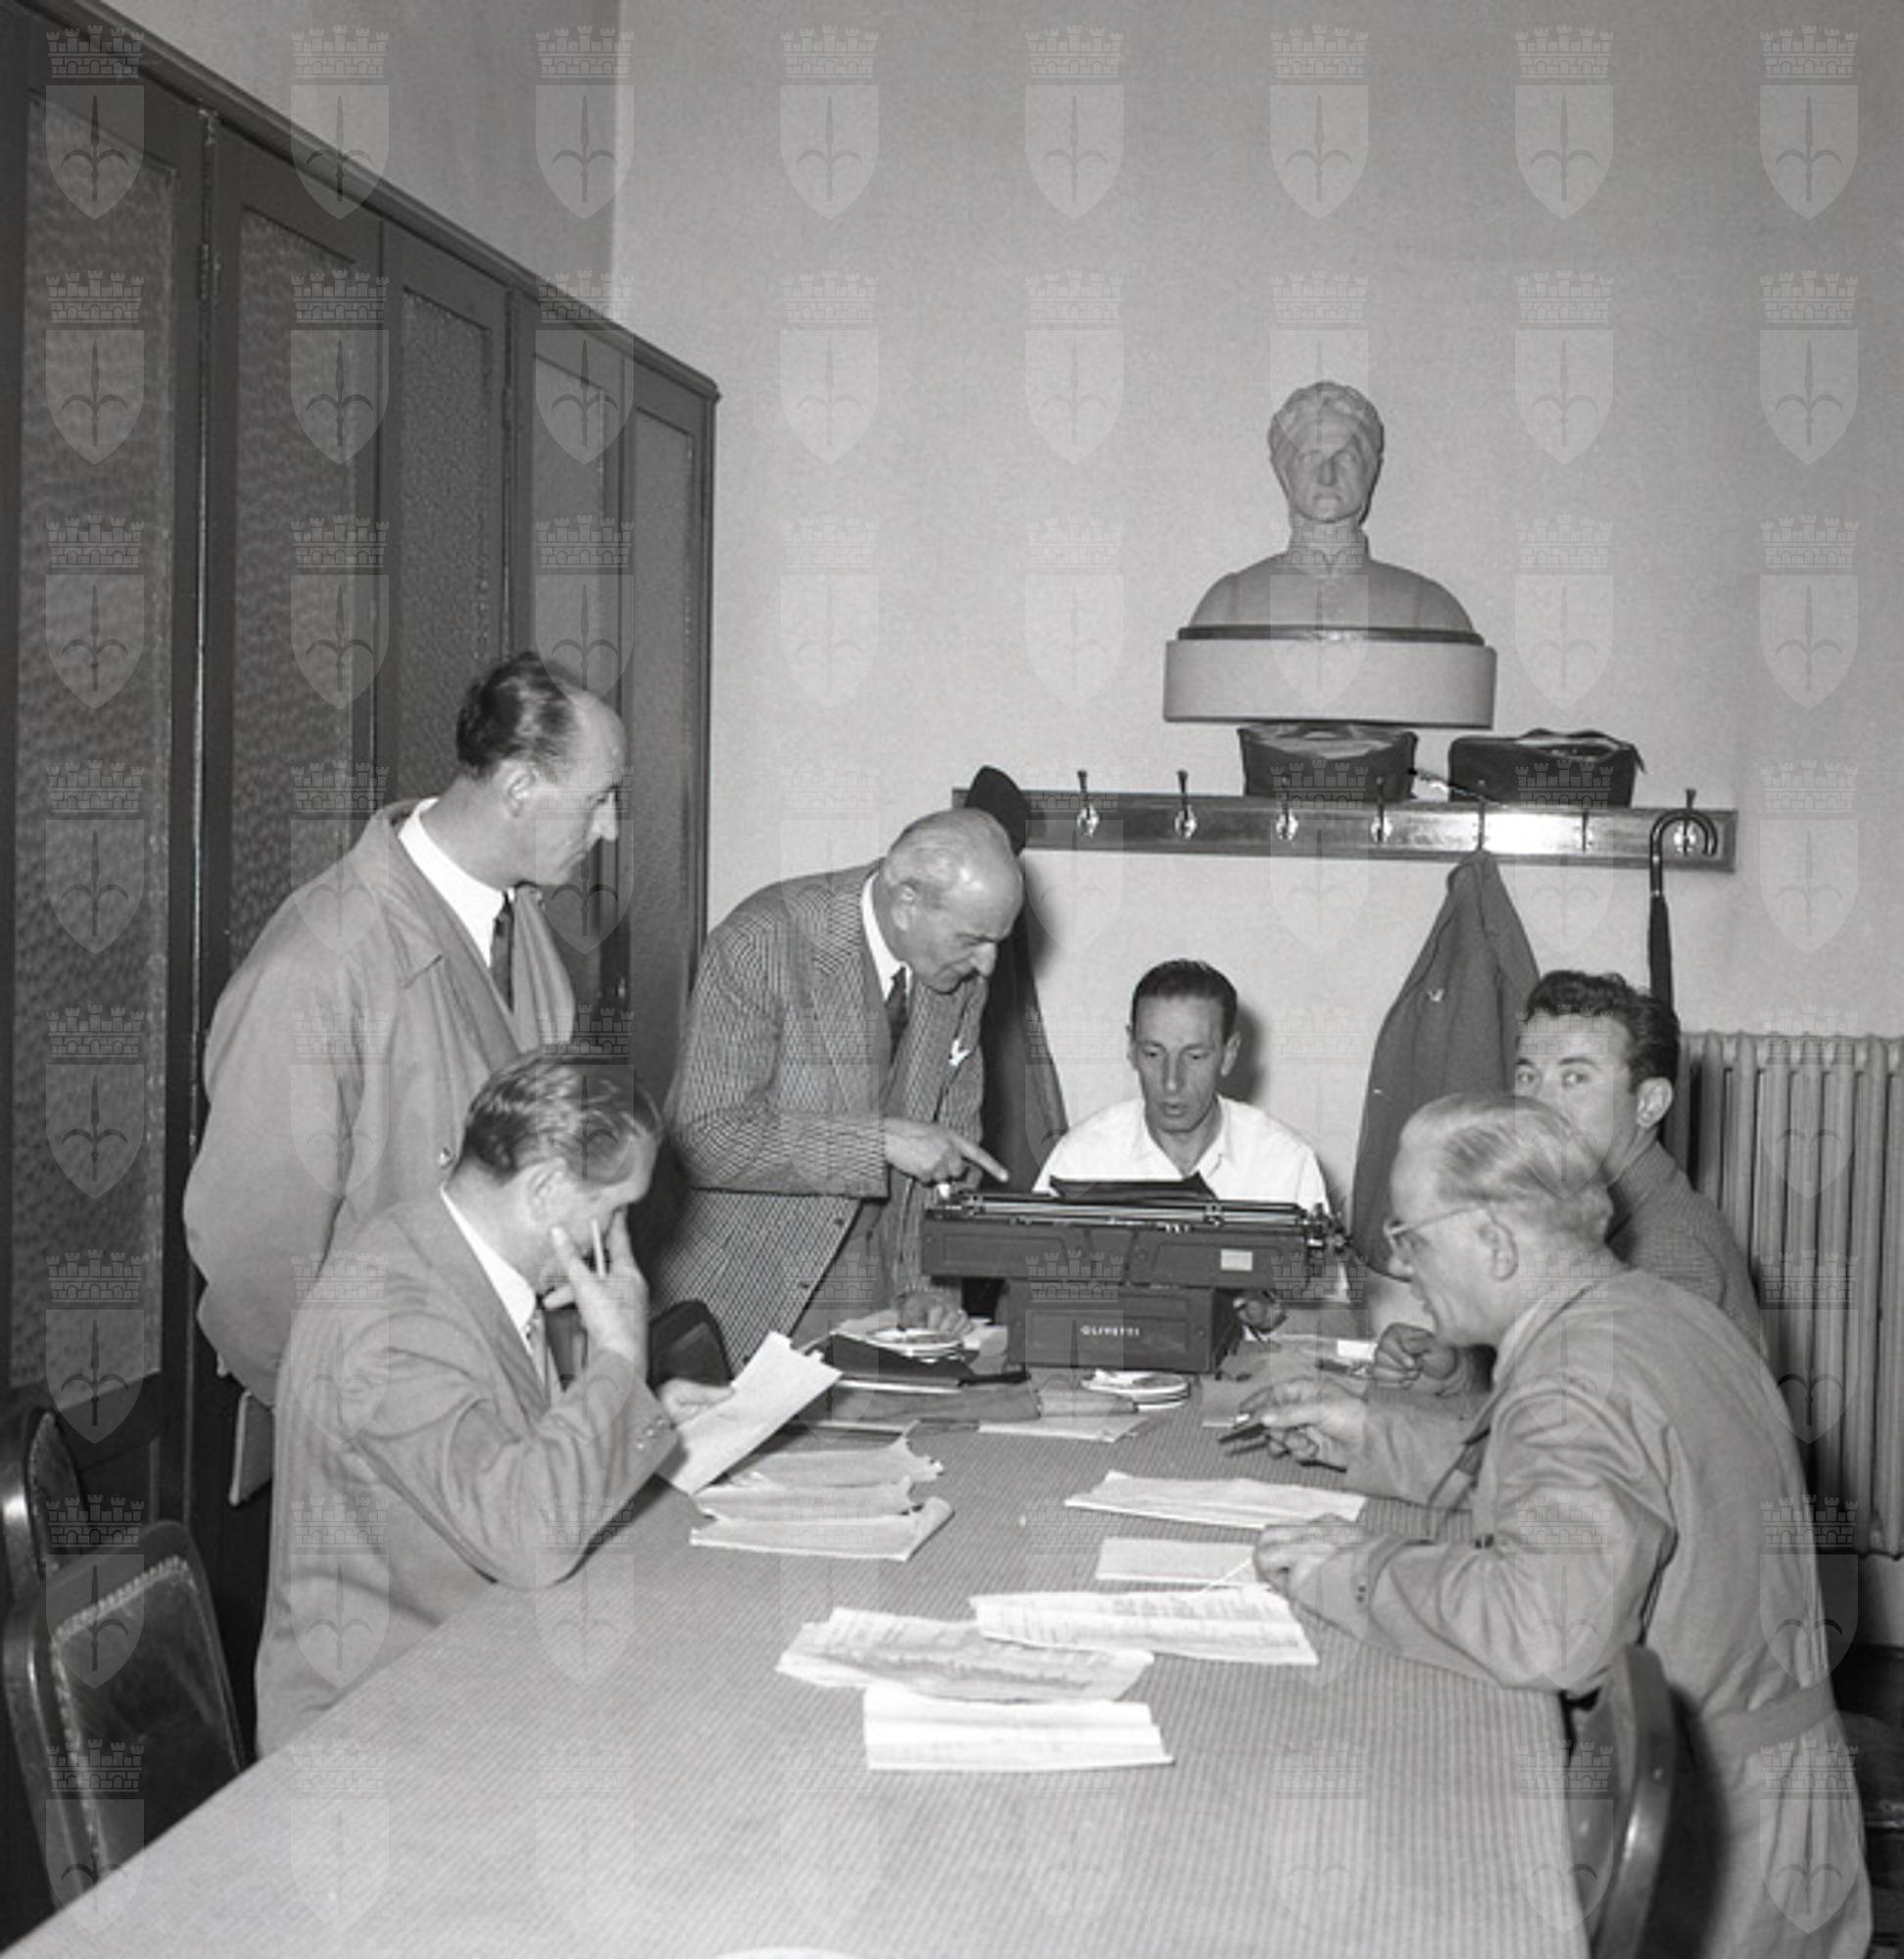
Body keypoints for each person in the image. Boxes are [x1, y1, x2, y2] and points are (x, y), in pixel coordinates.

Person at [1247, 1095, 1870, 1959]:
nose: (1403, 1267)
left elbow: (1548, 1629)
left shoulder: (1574, 1382)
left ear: (1496, 1243)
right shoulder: (1650, 1313)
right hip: (1784, 1807)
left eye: (1410, 1238)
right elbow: (1577, 1491)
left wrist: (1357, 1571)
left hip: (1709, 1862)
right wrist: (1371, 1434)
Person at [185, 652, 625, 1413]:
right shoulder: (318, 966)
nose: (610, 827)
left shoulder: (520, 924)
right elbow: (252, 1263)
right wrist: (359, 1418)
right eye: (597, 801)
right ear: (520, 788)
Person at [257, 1051, 724, 1752]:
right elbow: (528, 1537)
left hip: (483, 1664)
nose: (617, 1240)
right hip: (383, 1726)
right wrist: (619, 1362)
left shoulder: (444, 1252)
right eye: (614, 1212)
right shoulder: (391, 1322)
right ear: (545, 1190)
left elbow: (504, 1455)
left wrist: (636, 1402)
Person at [657, 807, 1023, 1361]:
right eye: (973, 939)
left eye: (996, 941)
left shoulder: (959, 974)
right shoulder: (762, 942)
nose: (988, 965)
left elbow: (949, 1155)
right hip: (737, 1303)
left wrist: (924, 1288)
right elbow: (704, 1140)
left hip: (870, 1310)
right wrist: (879, 1142)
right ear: (906, 903)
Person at [1374, 968, 1762, 1390]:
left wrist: (1378, 1425)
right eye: (1528, 1077)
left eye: (1574, 1078)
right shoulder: (1580, 1209)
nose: (1537, 1104)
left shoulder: (1669, 1256)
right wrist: (1463, 1374)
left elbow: (1594, 1419)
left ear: (1649, 1103)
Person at [1188, 381, 1475, 634]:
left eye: (1346, 458)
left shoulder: (1428, 609)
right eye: (1310, 459)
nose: (1327, 476)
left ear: (1369, 470)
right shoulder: (1229, 605)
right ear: (1284, 474)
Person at [1034, 960, 1326, 1206]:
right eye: (1153, 1054)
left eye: (1195, 1057)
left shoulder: (1285, 1165)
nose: (1172, 1082)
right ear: (1131, 1049)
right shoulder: (1082, 1158)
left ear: (1229, 1054)